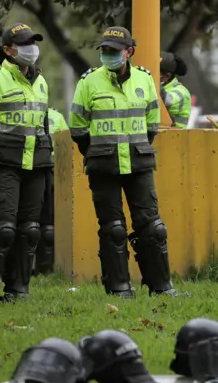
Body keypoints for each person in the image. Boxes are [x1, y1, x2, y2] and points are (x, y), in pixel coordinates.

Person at [69, 26, 177, 298]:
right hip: (103, 165)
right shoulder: (88, 82)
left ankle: (161, 287)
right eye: (103, 50)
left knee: (152, 226)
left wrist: (137, 148)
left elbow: (152, 123)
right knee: (113, 228)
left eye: (113, 51)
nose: (107, 54)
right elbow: (78, 128)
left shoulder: (144, 80)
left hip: (138, 163)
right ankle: (119, 288)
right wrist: (96, 153)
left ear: (129, 52)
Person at [0, 22, 53, 305]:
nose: (31, 49)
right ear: (7, 50)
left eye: (33, 43)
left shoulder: (41, 81)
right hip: (4, 164)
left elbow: (43, 126)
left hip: (35, 165)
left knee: (29, 230)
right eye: (24, 44)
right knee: (2, 228)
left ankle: (17, 290)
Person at [34, 106, 68, 275]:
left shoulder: (24, 113)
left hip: (29, 172)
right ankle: (45, 269)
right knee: (47, 224)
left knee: (27, 225)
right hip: (52, 173)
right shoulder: (58, 117)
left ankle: (20, 271)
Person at [159, 51, 192, 128]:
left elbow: (166, 100)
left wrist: (152, 81)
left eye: (155, 72)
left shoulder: (181, 92)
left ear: (167, 76)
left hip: (176, 137)